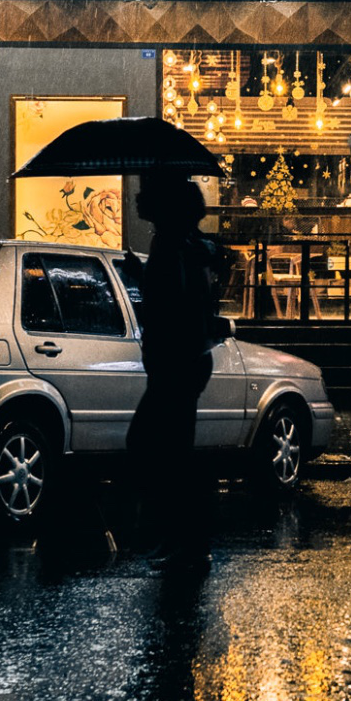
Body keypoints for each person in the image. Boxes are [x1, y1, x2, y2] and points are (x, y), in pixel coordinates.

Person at [124, 170, 224, 571]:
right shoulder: (186, 246)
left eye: (145, 191)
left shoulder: (168, 245)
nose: (136, 197)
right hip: (185, 362)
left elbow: (170, 308)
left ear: (162, 203)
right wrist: (144, 277)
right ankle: (185, 540)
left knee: (153, 449)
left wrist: (145, 292)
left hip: (174, 364)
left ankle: (181, 539)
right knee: (170, 452)